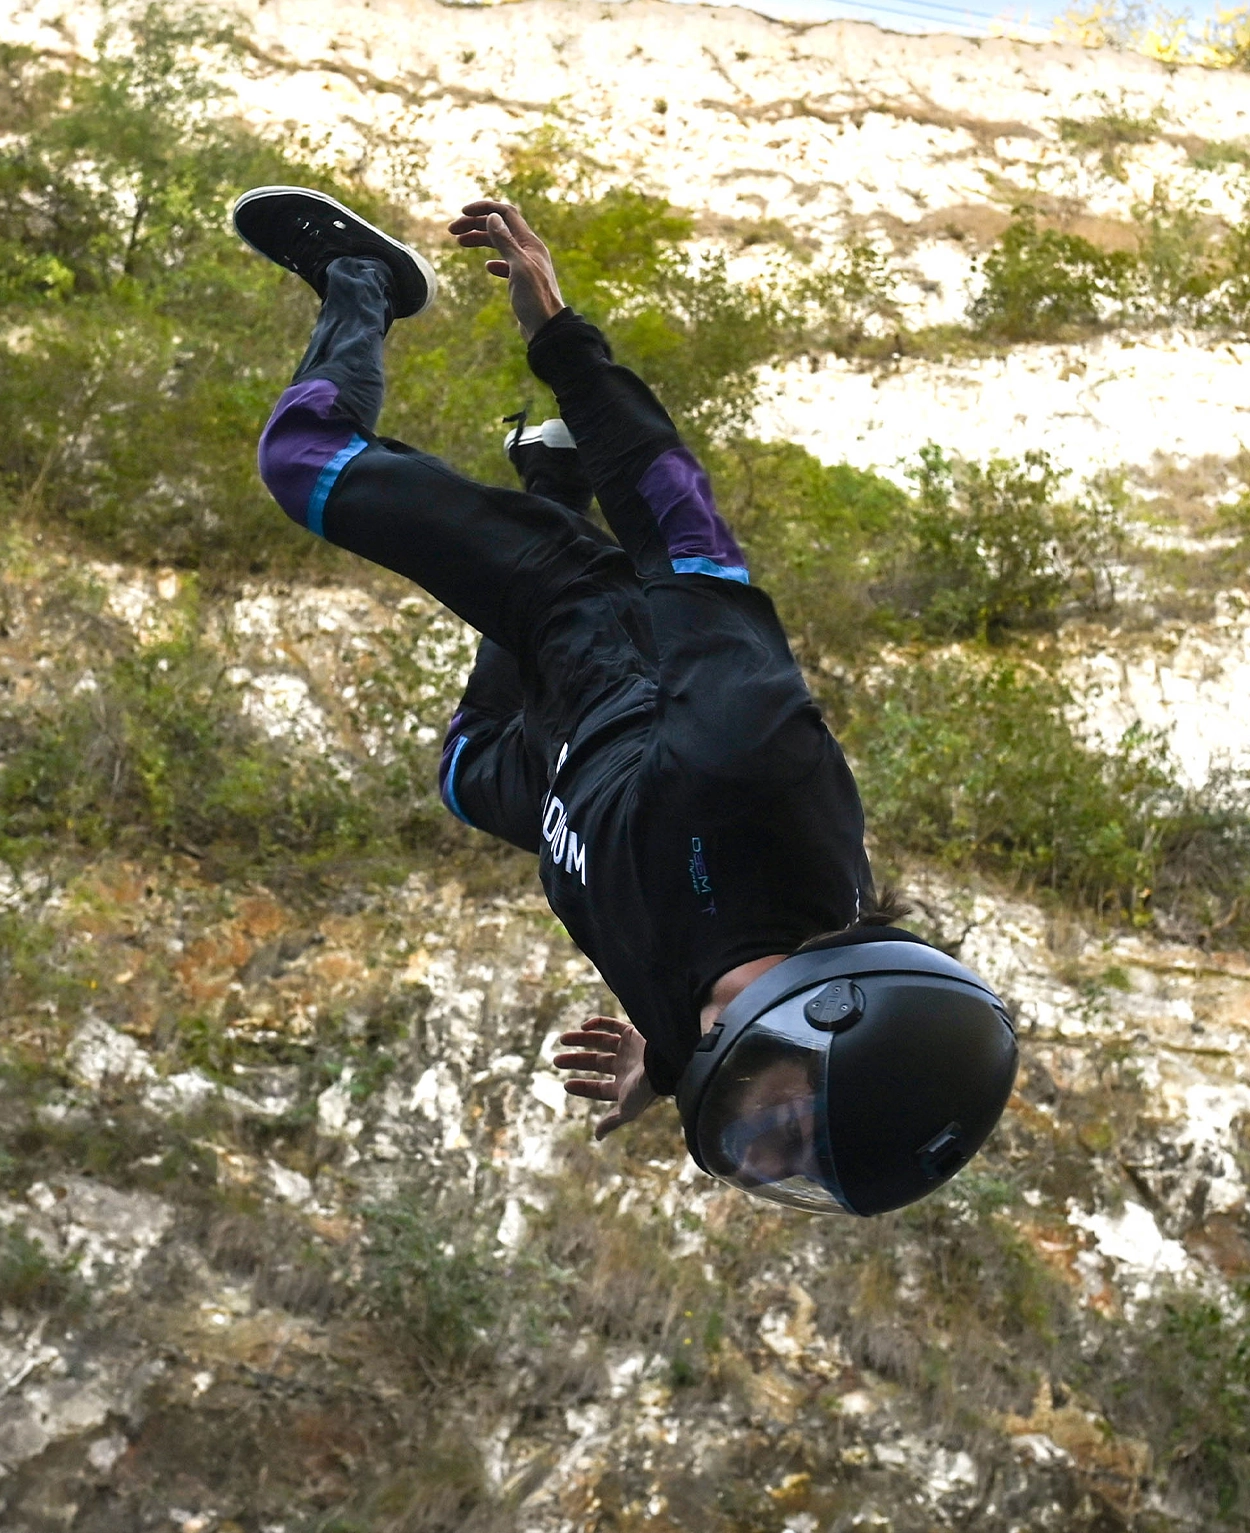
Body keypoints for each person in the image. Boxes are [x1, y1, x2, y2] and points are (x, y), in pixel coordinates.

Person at [233, 186, 1018, 1216]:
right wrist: (557, 333)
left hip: (577, 774)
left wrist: (665, 1065)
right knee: (301, 465)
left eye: (760, 1156)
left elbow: (710, 1026)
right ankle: (364, 282)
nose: (752, 1139)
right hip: (600, 635)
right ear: (832, 1016)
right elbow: (682, 530)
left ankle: (545, 477)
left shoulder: (703, 1027)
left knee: (466, 777)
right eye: (779, 1129)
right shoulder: (755, 770)